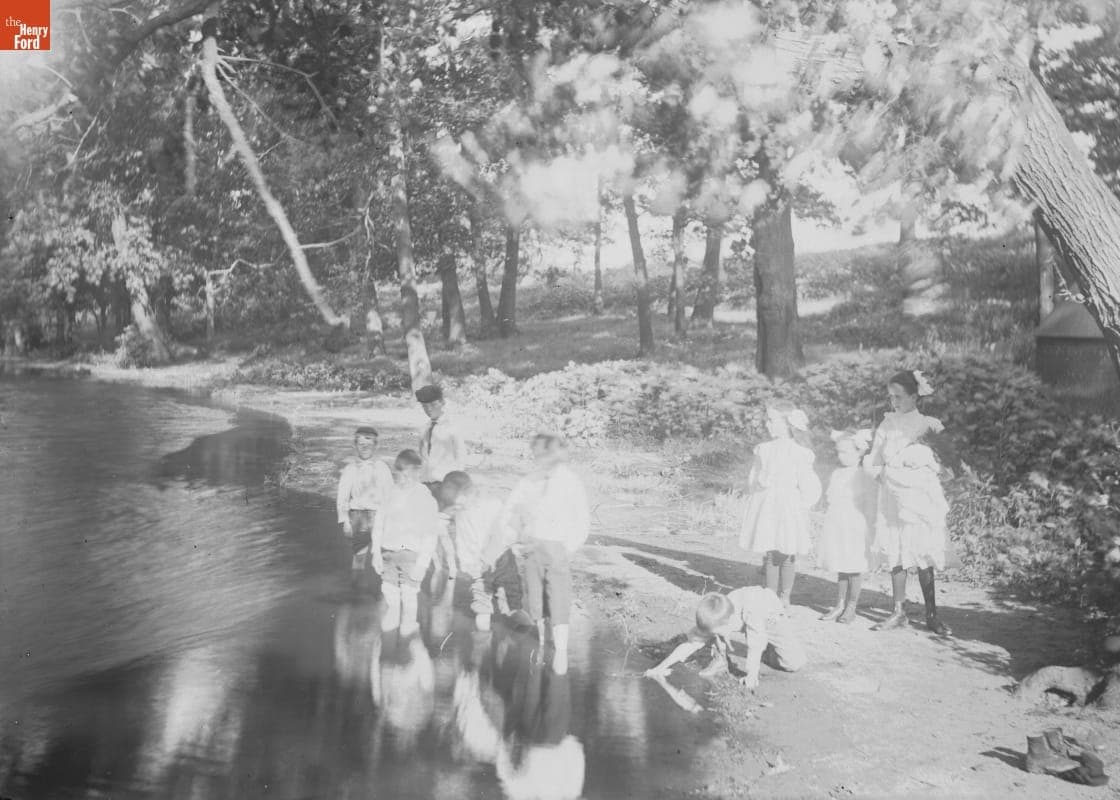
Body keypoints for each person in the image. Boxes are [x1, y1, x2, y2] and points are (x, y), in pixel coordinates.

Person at [864, 369, 952, 636]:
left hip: (919, 498)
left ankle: (932, 614)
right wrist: (883, 475)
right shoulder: (887, 425)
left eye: (899, 396)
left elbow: (945, 465)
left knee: (923, 551)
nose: (894, 402)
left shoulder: (928, 424)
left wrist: (932, 471)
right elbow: (875, 459)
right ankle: (898, 611)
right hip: (892, 494)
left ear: (915, 396)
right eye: (891, 397)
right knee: (896, 549)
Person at [502, 434, 590, 675]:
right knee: (536, 598)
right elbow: (512, 511)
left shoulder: (570, 482)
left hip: (558, 548)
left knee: (559, 598)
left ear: (557, 456)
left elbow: (582, 521)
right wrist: (514, 540)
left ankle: (560, 650)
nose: (542, 462)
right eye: (538, 457)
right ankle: (541, 641)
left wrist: (567, 549)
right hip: (532, 546)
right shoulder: (529, 481)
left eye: (546, 457)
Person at [738, 401, 822, 609]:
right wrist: (759, 483)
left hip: (788, 507)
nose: (767, 424)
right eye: (767, 420)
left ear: (787, 424)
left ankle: (785, 596)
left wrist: (803, 504)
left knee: (787, 551)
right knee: (770, 550)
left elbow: (809, 483)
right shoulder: (764, 450)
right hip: (768, 506)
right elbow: (753, 477)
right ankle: (770, 595)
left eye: (772, 420)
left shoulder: (798, 452)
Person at [644, 586, 806, 691]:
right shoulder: (716, 614)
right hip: (739, 618)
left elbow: (755, 644)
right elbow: (691, 643)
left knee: (792, 663)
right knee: (716, 634)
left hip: (770, 616)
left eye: (716, 633)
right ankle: (720, 659)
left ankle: (770, 651)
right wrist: (660, 667)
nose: (712, 636)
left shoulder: (753, 612)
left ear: (728, 622)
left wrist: (752, 674)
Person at [440, 471, 524, 632]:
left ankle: (518, 634)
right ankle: (482, 645)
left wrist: (488, 558)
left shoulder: (492, 505)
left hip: (501, 562)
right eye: (455, 507)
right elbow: (447, 518)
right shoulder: (459, 508)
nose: (458, 509)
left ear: (469, 494)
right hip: (477, 566)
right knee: (482, 607)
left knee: (511, 607)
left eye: (459, 505)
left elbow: (500, 536)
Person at [373, 449, 441, 634]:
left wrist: (423, 563)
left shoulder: (425, 498)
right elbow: (379, 523)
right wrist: (375, 553)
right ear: (396, 472)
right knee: (389, 593)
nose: (405, 479)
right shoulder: (390, 493)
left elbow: (430, 534)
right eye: (401, 474)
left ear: (419, 473)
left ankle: (407, 632)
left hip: (412, 556)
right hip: (388, 553)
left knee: (410, 596)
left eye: (411, 474)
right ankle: (390, 633)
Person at [817, 428, 878, 624]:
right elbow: (831, 498)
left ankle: (851, 605)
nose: (840, 456)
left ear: (859, 452)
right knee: (840, 564)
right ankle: (839, 604)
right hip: (838, 522)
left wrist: (870, 526)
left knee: (854, 566)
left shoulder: (863, 475)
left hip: (855, 525)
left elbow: (870, 503)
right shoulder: (837, 474)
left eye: (845, 452)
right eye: (839, 452)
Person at [416, 384, 466, 579]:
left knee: (442, 529)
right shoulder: (424, 428)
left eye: (433, 404)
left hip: (444, 484)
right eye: (424, 406)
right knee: (428, 527)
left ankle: (452, 567)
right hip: (427, 484)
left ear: (442, 403)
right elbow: (422, 456)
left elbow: (461, 458)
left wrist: (454, 485)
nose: (429, 409)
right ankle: (437, 566)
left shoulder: (452, 428)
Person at [336, 426, 394, 586]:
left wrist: (391, 519)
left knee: (384, 554)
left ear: (376, 446)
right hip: (358, 517)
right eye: (361, 445)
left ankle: (386, 592)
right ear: (355, 446)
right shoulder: (350, 469)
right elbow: (342, 497)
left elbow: (390, 494)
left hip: (379, 516)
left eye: (369, 445)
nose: (365, 448)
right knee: (359, 555)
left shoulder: (382, 468)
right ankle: (356, 591)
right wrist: (345, 521)